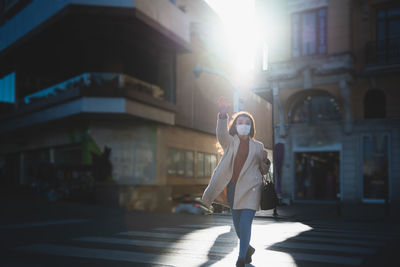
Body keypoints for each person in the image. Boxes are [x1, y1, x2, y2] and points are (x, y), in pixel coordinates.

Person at [202, 96, 270, 267]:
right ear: (236, 125)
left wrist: (265, 161)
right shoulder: (230, 142)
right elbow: (221, 134)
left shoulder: (259, 146)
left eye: (247, 122)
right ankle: (248, 249)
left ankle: (241, 257)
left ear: (251, 126)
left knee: (246, 222)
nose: (244, 125)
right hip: (232, 188)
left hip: (252, 189)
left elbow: (263, 171)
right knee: (238, 226)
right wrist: (223, 115)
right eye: (240, 122)